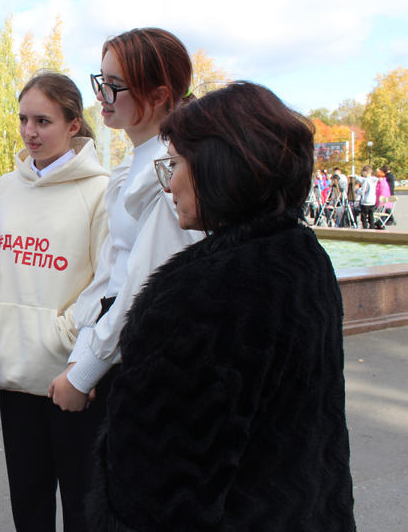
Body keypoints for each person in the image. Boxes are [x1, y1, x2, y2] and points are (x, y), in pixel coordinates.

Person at [88, 81, 356, 531]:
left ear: (218, 165)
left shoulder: (199, 298)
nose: (169, 183)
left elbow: (160, 494)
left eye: (176, 164)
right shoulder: (302, 254)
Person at [49, 27, 203, 413]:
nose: (100, 95)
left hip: (149, 365)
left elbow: (142, 283)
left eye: (115, 85)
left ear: (159, 95)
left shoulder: (171, 168)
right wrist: (83, 354)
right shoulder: (134, 165)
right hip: (124, 354)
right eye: (101, 80)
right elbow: (113, 268)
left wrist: (85, 371)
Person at [0, 72, 110, 531]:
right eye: (23, 119)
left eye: (43, 120)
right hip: (14, 376)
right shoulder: (4, 188)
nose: (30, 132)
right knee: (29, 505)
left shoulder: (100, 191)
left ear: (74, 124)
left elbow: (109, 285)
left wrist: (65, 341)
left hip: (70, 378)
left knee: (82, 506)